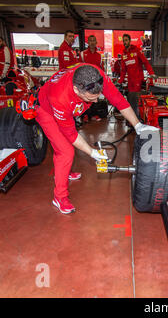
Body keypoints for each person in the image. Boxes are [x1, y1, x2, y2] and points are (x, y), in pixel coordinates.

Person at [35, 63, 158, 214]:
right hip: (46, 110)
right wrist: (92, 152)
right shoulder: (59, 97)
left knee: (66, 148)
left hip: (67, 104)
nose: (94, 102)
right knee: (65, 151)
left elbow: (117, 99)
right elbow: (71, 135)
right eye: (90, 98)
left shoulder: (95, 75)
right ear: (76, 90)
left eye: (97, 97)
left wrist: (138, 125)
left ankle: (64, 171)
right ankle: (59, 197)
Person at [118, 33, 156, 116]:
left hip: (139, 81)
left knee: (138, 103)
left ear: (130, 41)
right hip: (130, 83)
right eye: (123, 41)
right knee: (131, 102)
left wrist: (151, 73)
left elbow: (145, 62)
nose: (125, 42)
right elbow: (123, 70)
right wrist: (120, 81)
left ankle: (139, 120)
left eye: (126, 40)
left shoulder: (136, 50)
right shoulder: (123, 55)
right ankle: (132, 122)